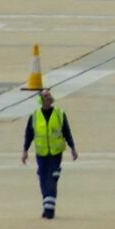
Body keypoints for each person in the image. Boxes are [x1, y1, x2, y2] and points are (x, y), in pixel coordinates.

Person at [21, 88, 79, 219]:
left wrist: (73, 148)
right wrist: (25, 150)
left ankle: (49, 210)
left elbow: (66, 131)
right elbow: (29, 134)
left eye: (49, 95)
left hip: (55, 153)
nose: (49, 97)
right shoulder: (35, 116)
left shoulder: (59, 114)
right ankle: (47, 204)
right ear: (41, 100)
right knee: (43, 179)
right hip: (41, 154)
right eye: (46, 96)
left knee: (52, 178)